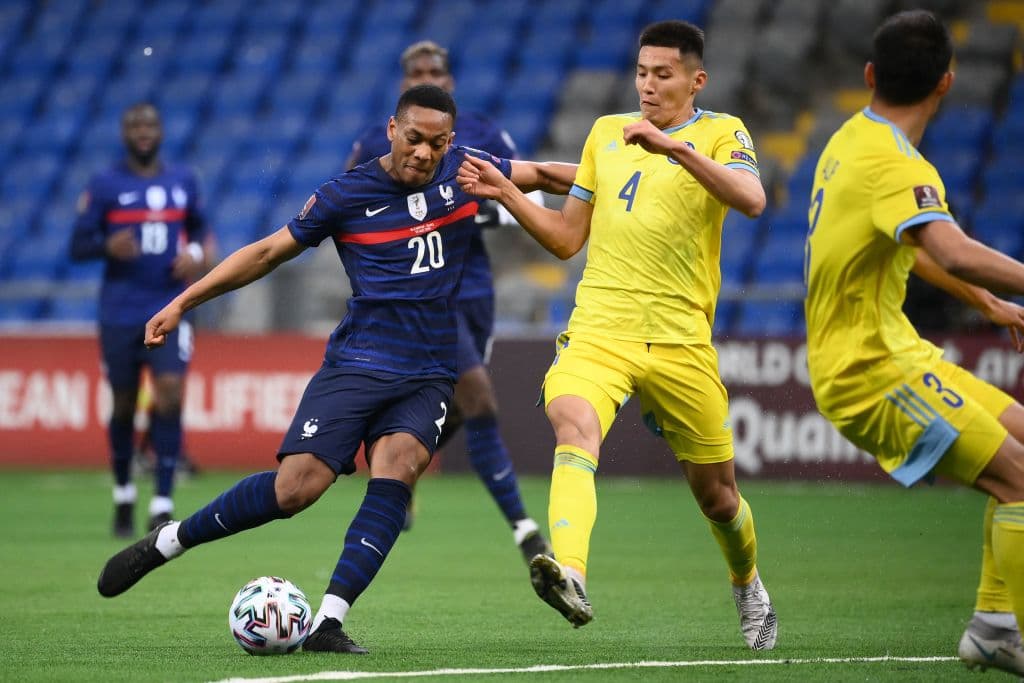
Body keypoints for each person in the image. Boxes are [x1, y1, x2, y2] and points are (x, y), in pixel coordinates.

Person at [96, 85, 576, 654]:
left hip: (428, 370)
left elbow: (547, 175)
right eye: (415, 139)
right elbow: (266, 253)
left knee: (400, 465)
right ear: (392, 129)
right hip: (358, 363)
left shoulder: (467, 171)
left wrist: (621, 173)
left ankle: (328, 621)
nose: (425, 153)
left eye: (438, 143)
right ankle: (168, 541)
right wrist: (183, 302)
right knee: (295, 491)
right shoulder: (345, 195)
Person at [457, 21, 777, 650]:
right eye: (641, 72)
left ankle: (747, 582)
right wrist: (504, 189)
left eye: (663, 74)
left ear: (695, 80)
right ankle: (570, 573)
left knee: (718, 498)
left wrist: (675, 150)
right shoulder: (606, 133)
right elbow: (565, 238)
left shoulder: (722, 132)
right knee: (574, 425)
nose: (649, 85)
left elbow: (753, 200)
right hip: (600, 329)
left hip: (681, 340)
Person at [804, 10, 1024, 676]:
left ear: (869, 76)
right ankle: (1003, 628)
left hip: (894, 352)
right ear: (947, 84)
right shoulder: (896, 165)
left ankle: (993, 624)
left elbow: (915, 245)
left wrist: (984, 300)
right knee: (1020, 479)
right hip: (867, 370)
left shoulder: (849, 137)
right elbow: (950, 249)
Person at [346, 41, 552, 563]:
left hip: (475, 287)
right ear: (401, 84)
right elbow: (354, 208)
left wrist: (481, 209)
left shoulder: (479, 133)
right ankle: (526, 532)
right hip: (422, 295)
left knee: (459, 404)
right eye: (415, 70)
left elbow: (533, 195)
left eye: (434, 69)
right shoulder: (376, 141)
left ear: (450, 78)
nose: (425, 74)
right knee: (479, 396)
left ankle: (398, 467)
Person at [69, 102, 211, 538]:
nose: (143, 130)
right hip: (119, 311)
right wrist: (106, 246)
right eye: (135, 124)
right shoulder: (105, 184)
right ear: (124, 133)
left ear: (161, 131)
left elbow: (205, 235)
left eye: (150, 123)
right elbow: (77, 246)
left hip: (168, 306)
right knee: (125, 405)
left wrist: (195, 255)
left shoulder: (183, 180)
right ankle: (124, 492)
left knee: (169, 396)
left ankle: (163, 502)